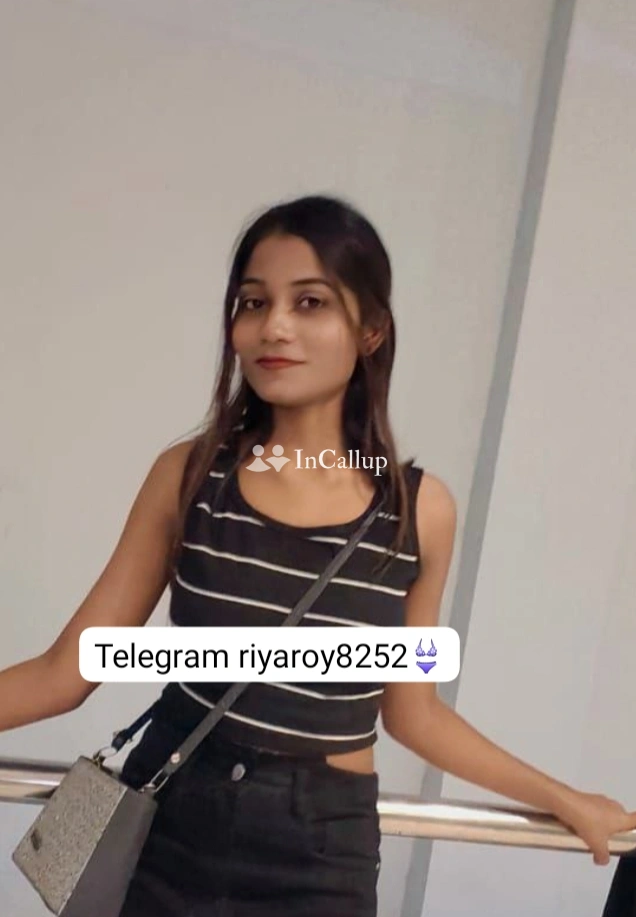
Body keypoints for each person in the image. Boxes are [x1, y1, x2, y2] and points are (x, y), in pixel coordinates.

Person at [1, 195, 635, 917]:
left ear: (370, 329)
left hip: (319, 851)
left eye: (310, 302)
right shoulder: (189, 476)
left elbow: (414, 713)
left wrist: (561, 797)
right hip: (172, 821)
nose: (274, 325)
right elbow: (68, 672)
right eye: (253, 302)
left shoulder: (418, 510)